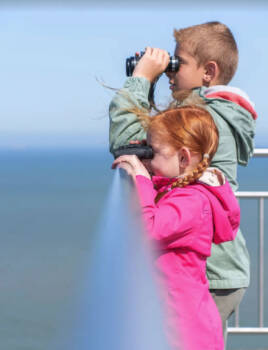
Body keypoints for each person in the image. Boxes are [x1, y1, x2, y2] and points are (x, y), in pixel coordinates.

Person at [109, 21, 257, 344]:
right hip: (214, 268)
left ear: (209, 71)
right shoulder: (215, 112)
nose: (171, 72)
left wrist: (139, 81)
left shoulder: (204, 116)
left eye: (179, 63)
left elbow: (131, 144)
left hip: (208, 273)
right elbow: (157, 140)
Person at [112, 105, 240, 350]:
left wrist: (140, 178)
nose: (147, 157)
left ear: (183, 158)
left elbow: (149, 231)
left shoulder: (192, 202)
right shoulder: (178, 191)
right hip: (174, 323)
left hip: (184, 332)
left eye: (154, 151)